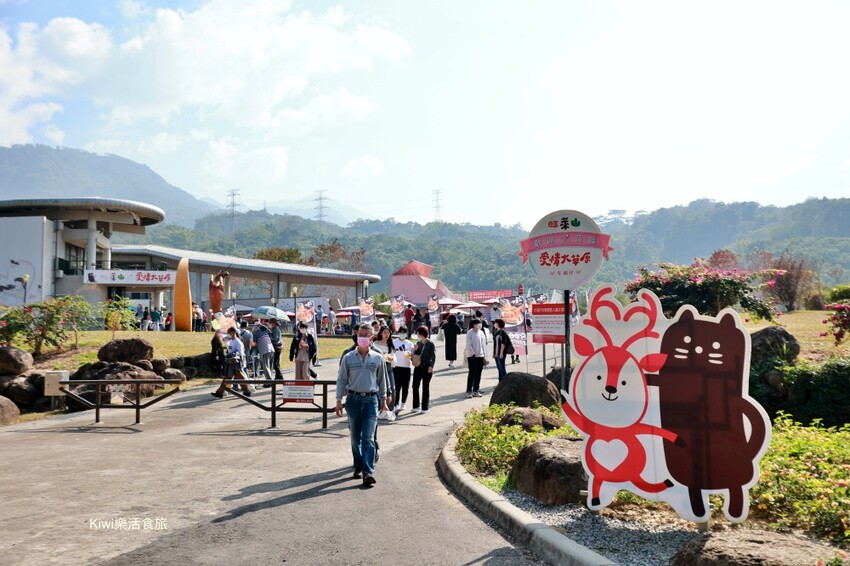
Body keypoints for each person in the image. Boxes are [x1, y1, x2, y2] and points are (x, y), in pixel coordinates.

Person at [336, 323, 389, 486]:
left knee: (368, 437)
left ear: (372, 337)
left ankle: (367, 471)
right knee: (355, 437)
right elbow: (342, 379)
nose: (363, 338)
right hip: (353, 400)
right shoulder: (348, 357)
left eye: (366, 335)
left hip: (371, 401)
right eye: (360, 334)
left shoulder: (378, 357)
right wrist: (339, 400)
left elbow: (382, 381)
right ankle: (358, 463)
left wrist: (384, 400)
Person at [211, 327, 252, 398]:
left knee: (239, 378)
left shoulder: (238, 342)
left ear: (233, 332)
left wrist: (241, 364)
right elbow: (229, 350)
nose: (229, 334)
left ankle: (247, 391)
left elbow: (241, 353)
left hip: (236, 364)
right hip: (230, 363)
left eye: (229, 333)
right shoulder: (231, 341)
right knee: (228, 378)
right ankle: (220, 392)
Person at [410, 325, 436, 414]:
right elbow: (416, 356)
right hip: (418, 367)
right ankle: (416, 405)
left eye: (417, 333)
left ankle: (425, 407)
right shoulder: (418, 343)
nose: (417, 334)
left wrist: (431, 366)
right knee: (415, 386)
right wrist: (415, 350)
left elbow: (433, 356)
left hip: (427, 367)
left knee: (425, 387)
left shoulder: (430, 344)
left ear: (421, 333)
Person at [372, 325, 397, 412]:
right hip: (379, 368)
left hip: (389, 367)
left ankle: (390, 408)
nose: (387, 334)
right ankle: (379, 408)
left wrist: (390, 358)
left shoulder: (390, 345)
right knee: (380, 388)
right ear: (381, 334)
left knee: (392, 388)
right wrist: (382, 355)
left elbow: (393, 357)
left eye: (388, 333)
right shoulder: (376, 344)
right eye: (384, 333)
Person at [392, 326, 415, 413]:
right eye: (401, 332)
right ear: (398, 333)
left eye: (404, 332)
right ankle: (396, 404)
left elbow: (413, 355)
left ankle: (403, 403)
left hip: (406, 367)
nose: (402, 334)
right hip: (396, 367)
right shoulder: (394, 342)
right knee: (397, 387)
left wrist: (411, 354)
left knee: (405, 387)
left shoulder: (409, 343)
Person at [465, 318, 487, 397]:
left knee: (478, 374)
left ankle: (476, 390)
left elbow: (483, 344)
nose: (479, 325)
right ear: (474, 325)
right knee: (472, 373)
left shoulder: (481, 332)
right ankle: (469, 390)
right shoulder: (470, 333)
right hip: (472, 356)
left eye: (480, 323)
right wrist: (473, 353)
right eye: (478, 323)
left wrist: (484, 356)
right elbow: (468, 345)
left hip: (480, 356)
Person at [492, 318, 514, 382]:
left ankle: (505, 382)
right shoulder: (496, 333)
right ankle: (500, 382)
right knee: (499, 368)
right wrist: (493, 352)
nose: (494, 324)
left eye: (495, 323)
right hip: (496, 353)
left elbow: (503, 343)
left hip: (501, 353)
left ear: (498, 324)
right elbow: (495, 344)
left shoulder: (503, 332)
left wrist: (501, 353)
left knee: (502, 368)